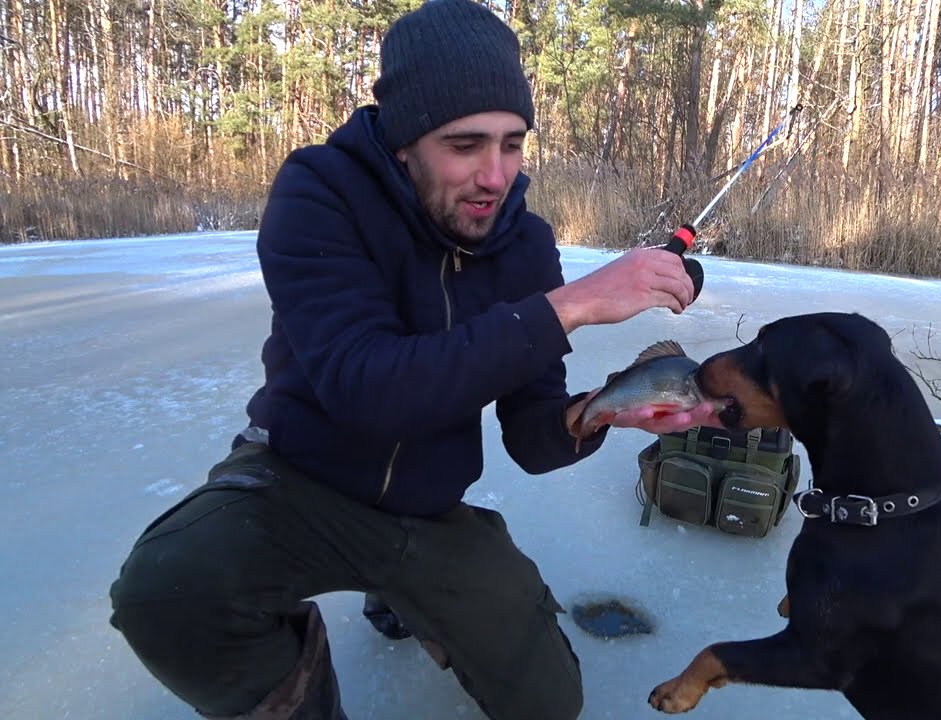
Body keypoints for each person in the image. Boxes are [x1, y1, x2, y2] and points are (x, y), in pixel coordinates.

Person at [105, 1, 721, 718]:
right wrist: (570, 306)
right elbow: (366, 387)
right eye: (465, 146)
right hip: (297, 479)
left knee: (548, 703)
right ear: (403, 141)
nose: (497, 176)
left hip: (426, 508)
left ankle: (414, 597)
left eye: (513, 144)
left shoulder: (524, 244)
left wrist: (601, 415)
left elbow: (529, 435)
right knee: (165, 592)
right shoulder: (320, 195)